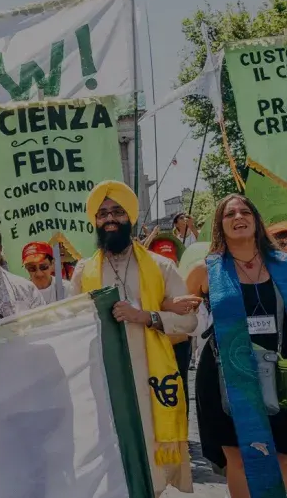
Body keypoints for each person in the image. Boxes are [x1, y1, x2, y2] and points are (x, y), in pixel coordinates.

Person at [183, 195, 287, 498]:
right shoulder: (205, 270)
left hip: (281, 374)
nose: (238, 216)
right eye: (230, 213)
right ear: (220, 224)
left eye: (244, 211)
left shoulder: (285, 265)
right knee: (241, 459)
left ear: (255, 219)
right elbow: (183, 323)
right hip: (224, 375)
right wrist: (172, 310)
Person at [71, 181, 196, 493]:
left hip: (150, 376)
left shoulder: (160, 265)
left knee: (152, 456)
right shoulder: (83, 271)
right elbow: (72, 324)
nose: (110, 218)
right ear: (95, 221)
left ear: (130, 217)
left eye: (117, 211)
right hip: (104, 376)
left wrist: (149, 316)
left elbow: (190, 319)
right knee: (111, 454)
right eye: (102, 214)